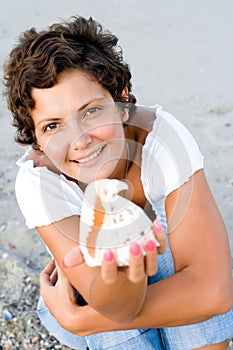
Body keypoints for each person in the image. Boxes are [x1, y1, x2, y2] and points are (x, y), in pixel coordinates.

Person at [3, 15, 233, 350]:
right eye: (53, 126)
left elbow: (214, 292)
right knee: (96, 268)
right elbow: (113, 304)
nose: (79, 141)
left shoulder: (161, 138)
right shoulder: (39, 183)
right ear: (36, 140)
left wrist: (81, 320)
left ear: (122, 103)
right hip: (102, 293)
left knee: (164, 239)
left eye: (91, 111)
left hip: (162, 277)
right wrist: (123, 267)